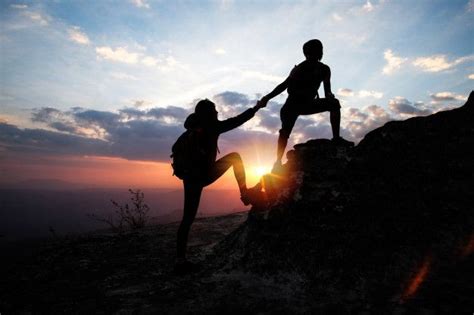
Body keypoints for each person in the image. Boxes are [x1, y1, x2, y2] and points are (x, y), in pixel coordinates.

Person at [175, 99, 265, 274]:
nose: (217, 112)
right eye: (214, 110)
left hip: (190, 177)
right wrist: (255, 108)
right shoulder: (212, 126)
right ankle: (245, 194)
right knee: (235, 158)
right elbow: (237, 121)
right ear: (209, 113)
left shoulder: (193, 127)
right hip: (204, 175)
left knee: (187, 218)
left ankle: (179, 260)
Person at [258, 39, 352, 171]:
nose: (313, 54)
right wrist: (266, 98)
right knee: (285, 133)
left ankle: (336, 139)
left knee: (334, 104)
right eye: (310, 52)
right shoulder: (299, 69)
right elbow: (283, 86)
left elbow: (327, 90)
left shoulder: (324, 69)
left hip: (308, 104)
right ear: (306, 53)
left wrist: (330, 96)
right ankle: (278, 162)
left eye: (316, 51)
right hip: (291, 106)